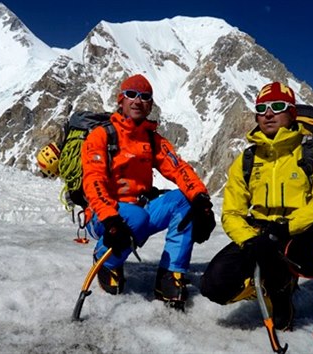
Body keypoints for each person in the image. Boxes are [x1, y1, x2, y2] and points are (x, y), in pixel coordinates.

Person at [200, 82, 313, 354]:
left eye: (277, 107)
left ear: (291, 114)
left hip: (301, 235)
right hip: (260, 235)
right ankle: (277, 292)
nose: (268, 114)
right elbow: (231, 212)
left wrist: (286, 227)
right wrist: (249, 240)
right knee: (214, 285)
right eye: (261, 109)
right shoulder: (247, 159)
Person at [82, 74, 216, 309]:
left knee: (185, 202)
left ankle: (169, 273)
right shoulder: (101, 135)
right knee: (136, 218)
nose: (137, 101)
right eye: (131, 95)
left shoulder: (152, 139)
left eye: (145, 97)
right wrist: (110, 218)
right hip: (103, 214)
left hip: (139, 211)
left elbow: (179, 168)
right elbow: (93, 179)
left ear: (150, 105)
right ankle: (107, 260)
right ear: (120, 100)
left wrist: (201, 200)